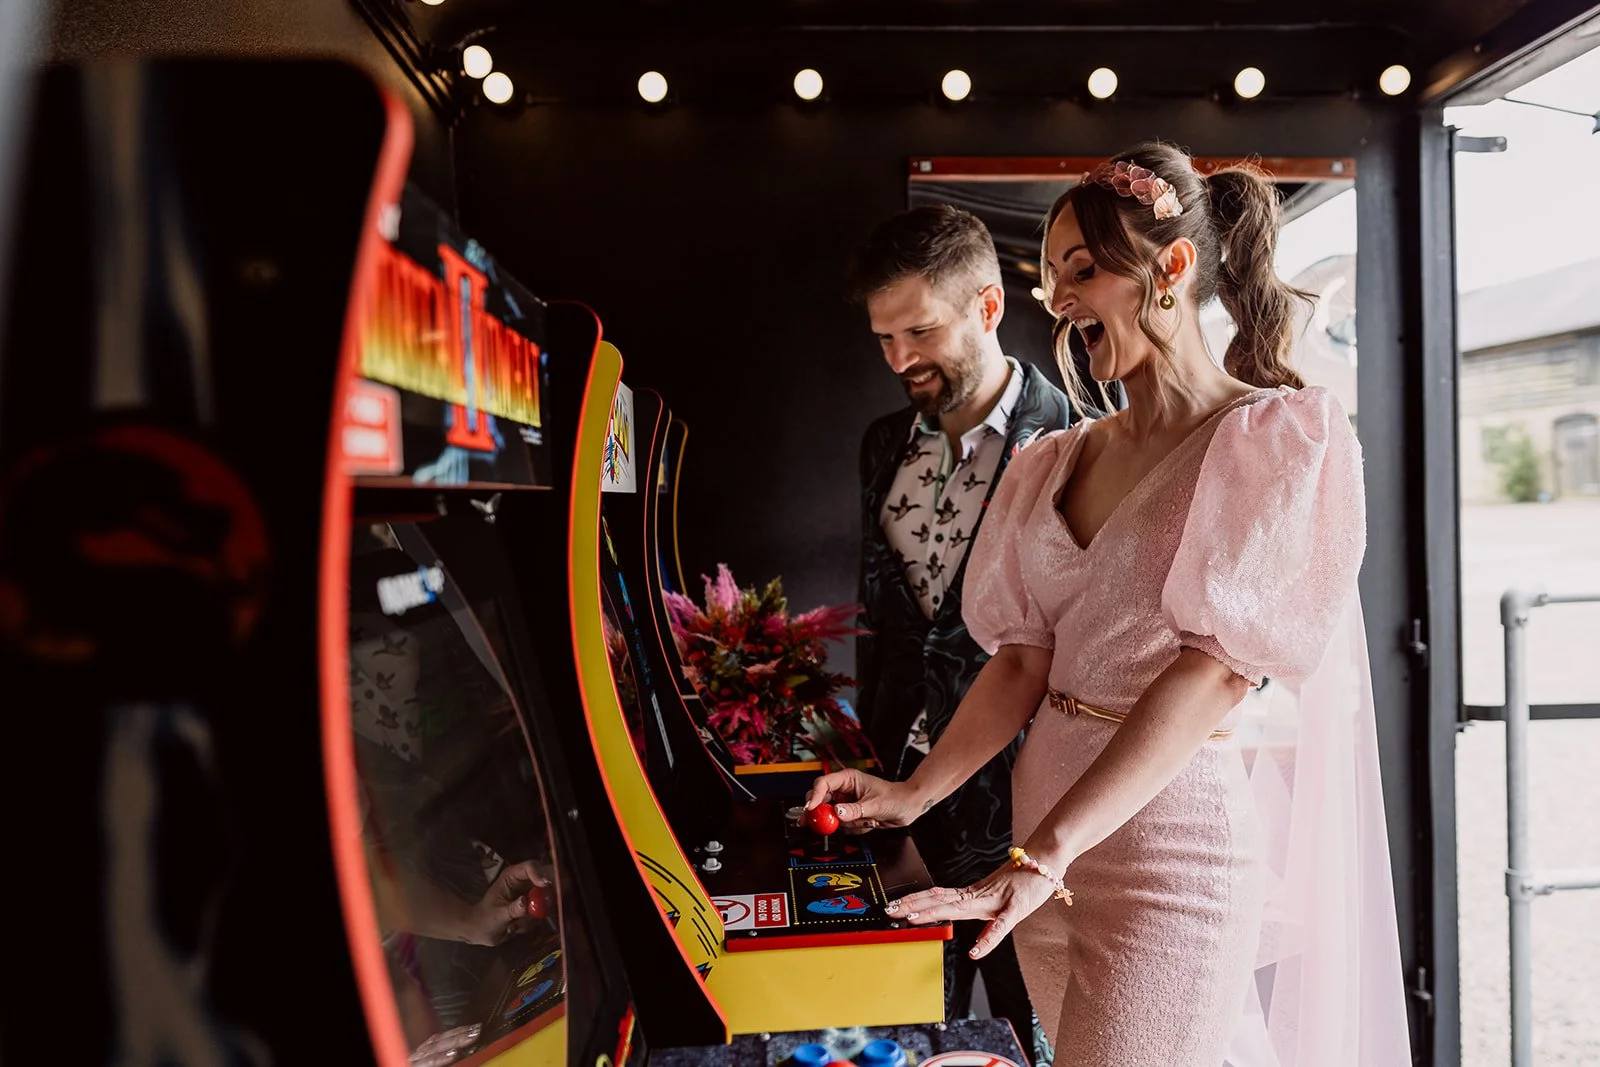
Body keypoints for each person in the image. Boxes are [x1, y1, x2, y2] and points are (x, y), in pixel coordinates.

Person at [812, 144, 1411, 1066]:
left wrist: (1042, 855)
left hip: (1165, 861)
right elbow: (1019, 660)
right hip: (1041, 854)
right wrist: (910, 794)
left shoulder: (1272, 438)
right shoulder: (1058, 457)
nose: (1057, 300)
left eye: (1082, 272)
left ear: (1169, 268)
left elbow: (1213, 673)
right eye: (1051, 278)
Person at [846, 204, 1078, 1064]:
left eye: (919, 330)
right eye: (882, 337)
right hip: (900, 804)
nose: (899, 359)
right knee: (905, 1036)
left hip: (1029, 805)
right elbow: (883, 622)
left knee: (1034, 1034)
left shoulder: (1076, 435)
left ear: (987, 307)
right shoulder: (880, 445)